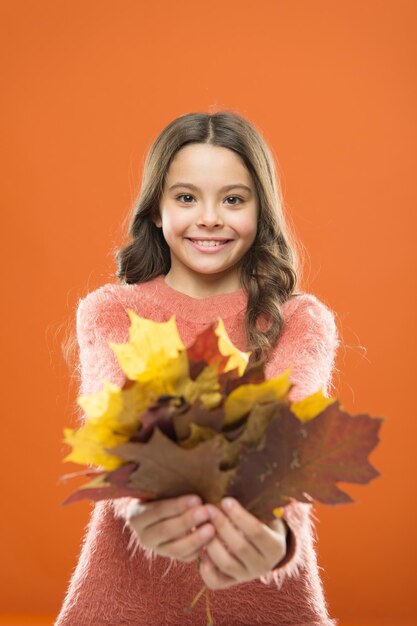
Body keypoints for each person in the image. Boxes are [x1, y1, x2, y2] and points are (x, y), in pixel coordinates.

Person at [56, 111, 340, 625]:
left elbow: (292, 429)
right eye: (186, 197)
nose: (210, 217)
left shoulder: (300, 320)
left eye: (233, 199)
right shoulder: (109, 311)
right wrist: (147, 499)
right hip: (125, 607)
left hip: (269, 606)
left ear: (261, 211)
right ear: (158, 211)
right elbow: (116, 416)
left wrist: (276, 533)